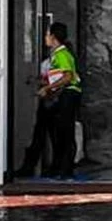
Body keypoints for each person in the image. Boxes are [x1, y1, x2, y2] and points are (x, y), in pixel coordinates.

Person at [36, 21, 82, 179]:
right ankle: (59, 167)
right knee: (60, 132)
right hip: (64, 94)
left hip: (69, 94)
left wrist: (48, 88)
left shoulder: (62, 54)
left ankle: (66, 169)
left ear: (53, 37)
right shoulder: (56, 54)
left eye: (47, 35)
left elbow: (68, 76)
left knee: (65, 131)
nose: (45, 38)